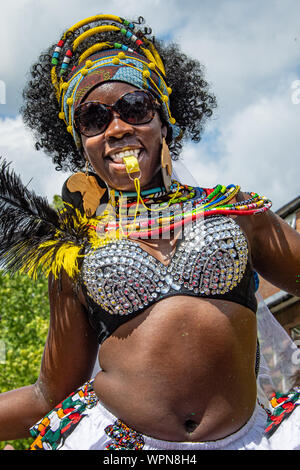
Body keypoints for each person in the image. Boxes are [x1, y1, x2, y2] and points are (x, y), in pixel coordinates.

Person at [0, 14, 299, 451]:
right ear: (80, 141)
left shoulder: (235, 212)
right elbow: (49, 394)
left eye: (135, 108)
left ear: (164, 118)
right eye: (93, 118)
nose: (117, 128)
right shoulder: (74, 251)